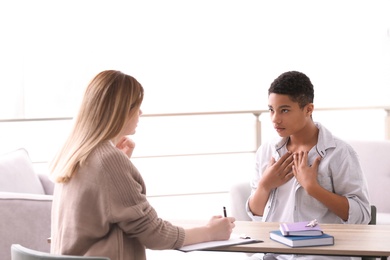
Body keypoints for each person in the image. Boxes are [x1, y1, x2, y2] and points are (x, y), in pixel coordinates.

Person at [49, 70, 235, 260]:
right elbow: (155, 235)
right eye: (137, 106)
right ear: (121, 111)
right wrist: (210, 232)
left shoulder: (73, 153)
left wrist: (121, 165)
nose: (141, 112)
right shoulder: (108, 161)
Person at [246, 71, 371, 260]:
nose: (275, 119)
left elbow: (362, 216)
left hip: (320, 255)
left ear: (308, 109)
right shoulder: (266, 151)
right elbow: (256, 215)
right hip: (273, 253)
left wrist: (313, 188)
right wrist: (265, 185)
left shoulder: (339, 153)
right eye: (271, 109)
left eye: (285, 110)